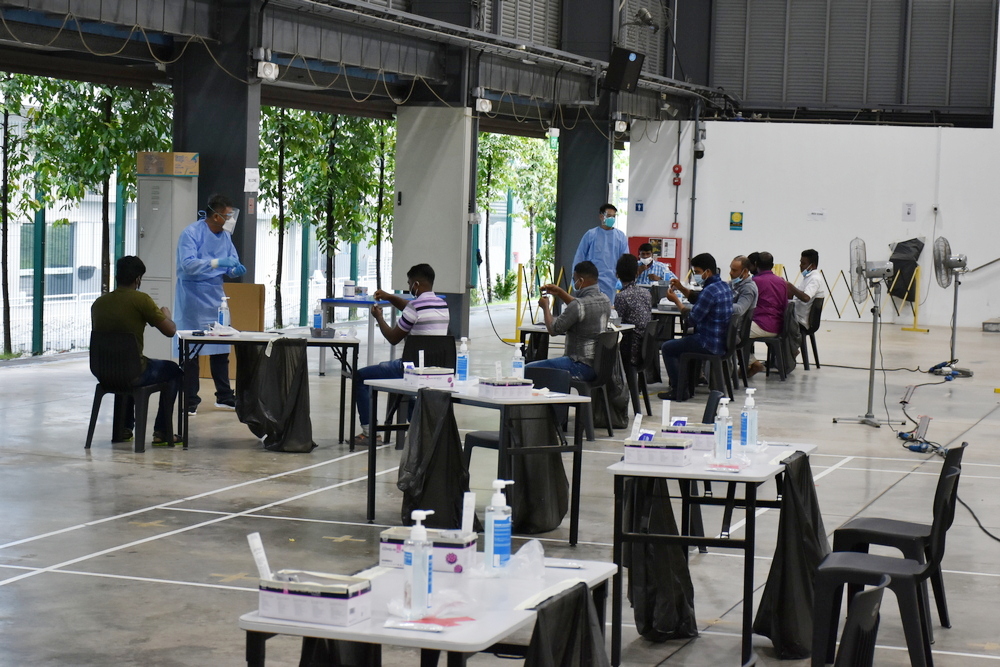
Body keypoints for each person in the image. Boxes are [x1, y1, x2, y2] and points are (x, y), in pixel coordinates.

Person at [353, 263, 450, 448]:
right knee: (410, 392)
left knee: (360, 376)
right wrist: (389, 297)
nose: (408, 287)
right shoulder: (442, 305)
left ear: (416, 284)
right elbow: (411, 307)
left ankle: (369, 431)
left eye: (409, 283)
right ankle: (421, 430)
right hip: (436, 370)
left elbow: (393, 338)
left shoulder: (415, 308)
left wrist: (379, 318)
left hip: (409, 369)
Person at [91, 256, 183, 445]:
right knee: (174, 371)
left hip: (103, 372)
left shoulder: (98, 303)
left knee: (127, 363)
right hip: (133, 372)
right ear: (138, 279)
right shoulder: (141, 300)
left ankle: (124, 428)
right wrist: (166, 315)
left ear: (117, 276)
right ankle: (163, 432)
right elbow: (170, 331)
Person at [175, 194, 246, 415]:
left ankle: (224, 396)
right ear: (216, 216)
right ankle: (190, 400)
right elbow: (188, 265)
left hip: (215, 294)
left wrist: (234, 269)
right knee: (192, 349)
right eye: (227, 215)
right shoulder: (191, 233)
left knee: (220, 346)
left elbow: (231, 261)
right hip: (193, 295)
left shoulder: (225, 237)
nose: (230, 219)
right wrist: (216, 262)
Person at [658, 253, 733, 401]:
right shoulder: (723, 286)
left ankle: (679, 389)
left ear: (708, 272)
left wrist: (676, 302)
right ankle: (686, 383)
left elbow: (691, 320)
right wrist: (680, 288)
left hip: (707, 342)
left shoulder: (710, 291)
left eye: (698, 272)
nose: (697, 276)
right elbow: (700, 300)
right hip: (720, 340)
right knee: (681, 343)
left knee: (668, 347)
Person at [527, 261, 611, 381]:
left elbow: (553, 329)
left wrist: (546, 307)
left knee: (528, 369)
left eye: (574, 279)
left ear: (581, 281)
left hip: (578, 364)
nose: (574, 283)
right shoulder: (605, 300)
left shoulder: (578, 305)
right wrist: (560, 293)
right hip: (598, 365)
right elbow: (580, 307)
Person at [573, 203, 629, 303]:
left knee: (608, 310)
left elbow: (625, 260)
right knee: (589, 307)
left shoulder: (620, 237)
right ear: (601, 216)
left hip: (612, 281)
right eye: (609, 216)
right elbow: (580, 257)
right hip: (590, 280)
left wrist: (622, 278)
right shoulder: (591, 235)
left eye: (614, 216)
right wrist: (576, 278)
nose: (611, 219)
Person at [747, 251, 786, 376]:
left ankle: (752, 363)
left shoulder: (755, 282)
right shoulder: (781, 282)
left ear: (756, 264)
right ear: (772, 265)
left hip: (762, 324)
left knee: (733, 333)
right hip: (779, 325)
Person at [614, 253, 651, 368]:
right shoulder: (646, 293)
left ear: (617, 275)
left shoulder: (621, 296)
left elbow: (618, 323)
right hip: (645, 346)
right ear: (636, 273)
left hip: (630, 348)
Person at [787, 248, 826, 327]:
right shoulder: (808, 277)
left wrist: (790, 286)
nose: (800, 266)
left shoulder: (815, 279)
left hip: (801, 320)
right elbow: (797, 295)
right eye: (800, 263)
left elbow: (806, 298)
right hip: (797, 316)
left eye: (803, 263)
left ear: (812, 265)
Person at [730, 255, 758, 319]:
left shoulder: (749, 288)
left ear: (745, 271)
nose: (730, 273)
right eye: (731, 269)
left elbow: (740, 309)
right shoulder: (732, 284)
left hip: (735, 327)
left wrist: (722, 304)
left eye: (734, 270)